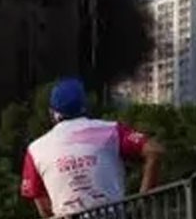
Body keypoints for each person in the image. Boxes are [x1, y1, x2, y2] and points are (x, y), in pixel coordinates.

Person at [21, 78, 164, 218]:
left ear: (52, 112)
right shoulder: (111, 130)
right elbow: (154, 150)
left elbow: (43, 208)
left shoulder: (35, 150)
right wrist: (142, 200)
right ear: (86, 105)